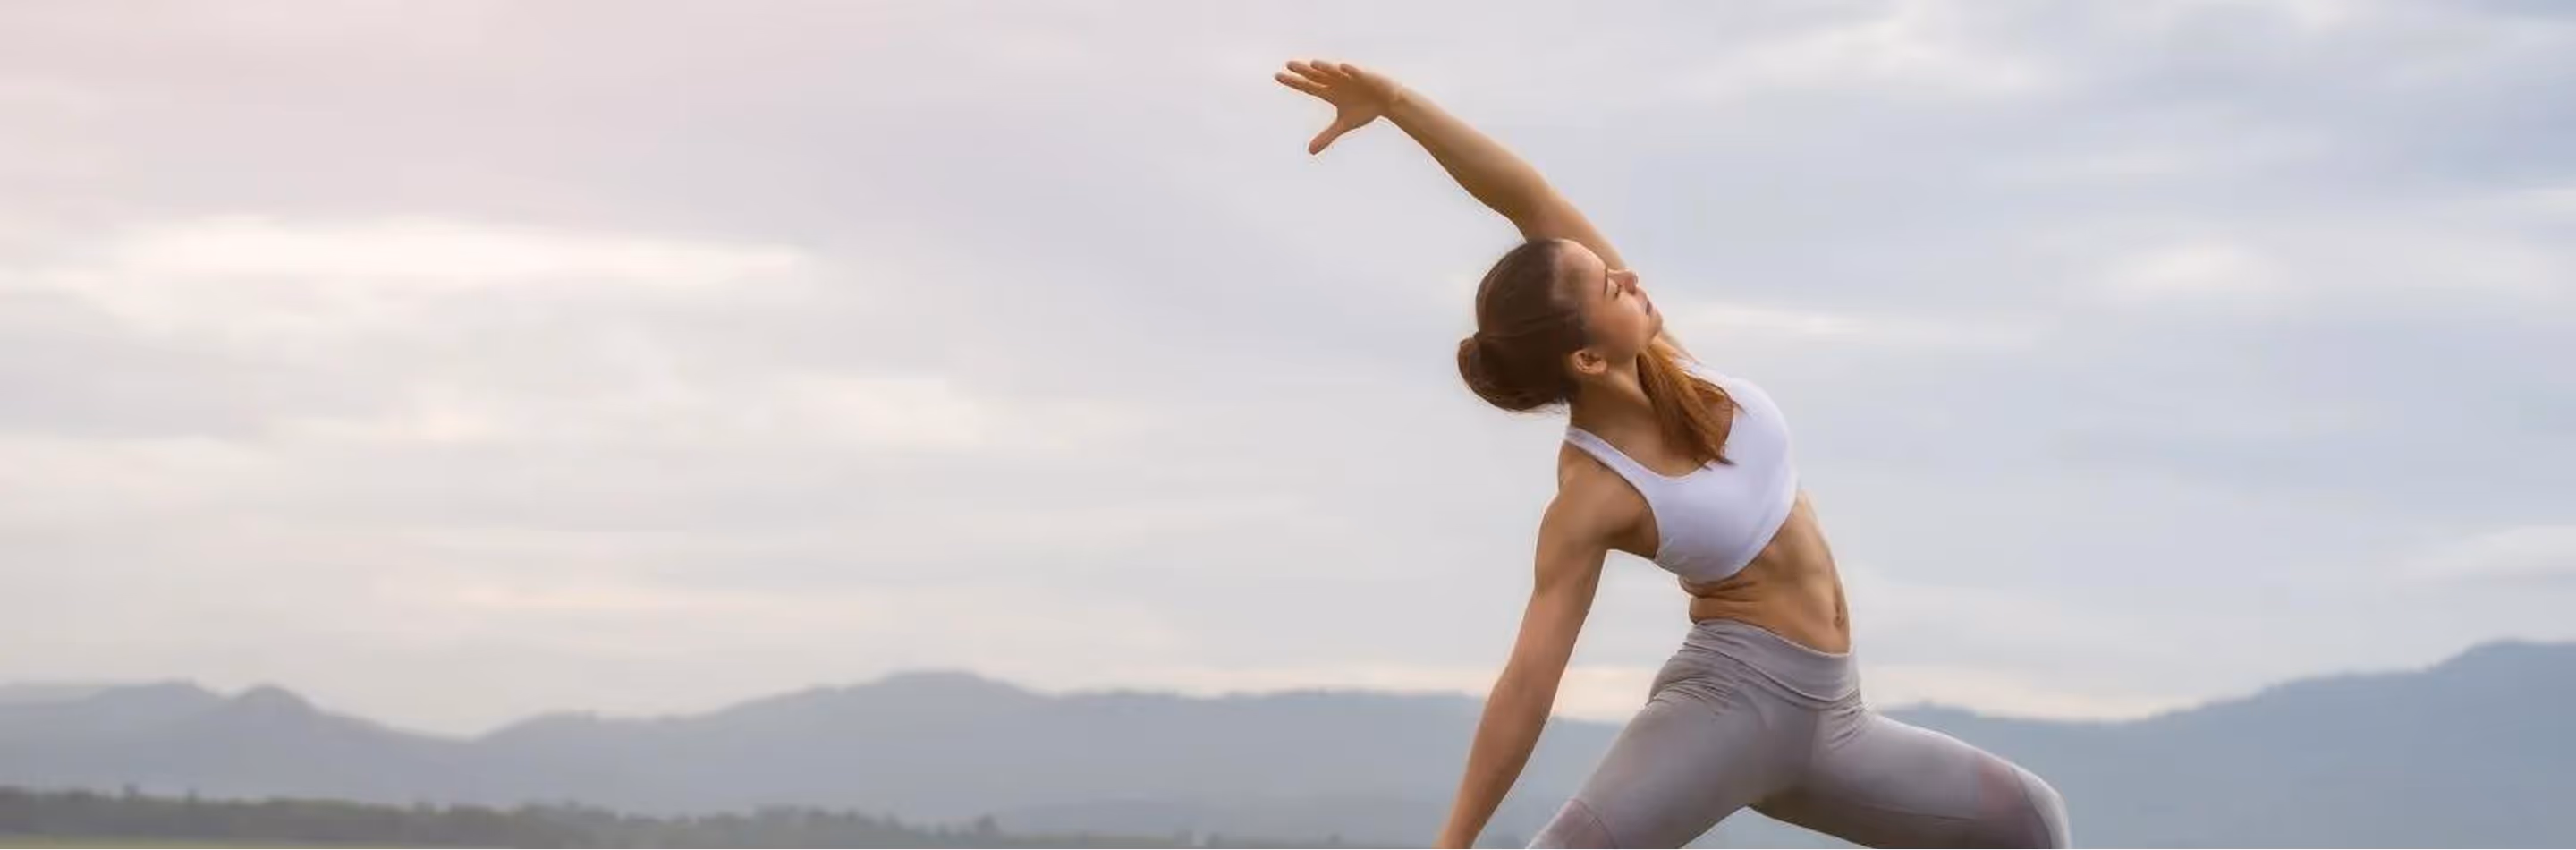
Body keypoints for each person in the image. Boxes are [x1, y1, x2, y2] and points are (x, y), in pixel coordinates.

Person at [1274, 59, 2072, 849]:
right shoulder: (1593, 493)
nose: (1625, 272)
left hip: (1837, 719)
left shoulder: (1670, 368)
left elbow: (1529, 199)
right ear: (1587, 359)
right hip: (1729, 710)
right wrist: (1454, 844)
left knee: (2029, 822)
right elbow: (1528, 684)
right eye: (1607, 287)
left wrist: (1400, 104)